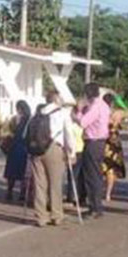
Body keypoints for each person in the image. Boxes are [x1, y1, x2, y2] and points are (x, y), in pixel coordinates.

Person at [30, 90, 73, 227]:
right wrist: (71, 152)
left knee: (39, 184)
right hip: (54, 148)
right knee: (55, 182)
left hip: (37, 149)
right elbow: (68, 134)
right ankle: (56, 214)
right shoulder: (62, 113)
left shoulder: (38, 113)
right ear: (56, 99)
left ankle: (41, 216)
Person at [76, 83, 110, 219]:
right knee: (95, 174)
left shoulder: (95, 107)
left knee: (92, 176)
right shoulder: (103, 105)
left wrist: (78, 111)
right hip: (99, 142)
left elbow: (83, 122)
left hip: (93, 141)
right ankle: (95, 206)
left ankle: (95, 207)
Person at [3, 100, 31, 203]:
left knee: (11, 171)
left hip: (15, 146)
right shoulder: (30, 119)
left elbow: (11, 130)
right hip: (25, 147)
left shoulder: (16, 119)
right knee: (24, 172)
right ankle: (22, 194)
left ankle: (9, 191)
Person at [102, 93, 127, 203]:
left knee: (102, 167)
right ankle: (108, 193)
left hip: (104, 142)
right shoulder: (118, 113)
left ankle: (101, 190)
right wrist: (120, 102)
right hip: (114, 143)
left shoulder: (102, 112)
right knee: (112, 169)